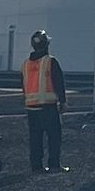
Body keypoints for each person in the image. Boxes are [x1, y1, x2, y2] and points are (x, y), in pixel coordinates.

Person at [22, 29, 66, 174]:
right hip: (48, 106)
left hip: (31, 107)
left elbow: (23, 85)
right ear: (46, 44)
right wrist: (63, 101)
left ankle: (36, 166)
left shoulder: (26, 64)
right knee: (54, 137)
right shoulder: (50, 62)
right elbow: (58, 82)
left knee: (35, 138)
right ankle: (54, 165)